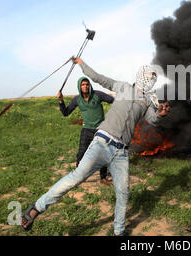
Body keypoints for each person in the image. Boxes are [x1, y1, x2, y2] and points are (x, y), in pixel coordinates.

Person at [20, 58, 171, 235]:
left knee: (123, 193)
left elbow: (152, 120)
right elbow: (99, 78)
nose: (151, 79)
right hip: (102, 142)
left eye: (154, 77)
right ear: (141, 74)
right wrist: (81, 63)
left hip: (121, 152)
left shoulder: (148, 101)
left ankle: (119, 231)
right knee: (76, 177)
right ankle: (36, 208)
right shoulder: (123, 87)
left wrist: (160, 114)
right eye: (150, 75)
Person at [57, 77, 114, 185]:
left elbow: (113, 101)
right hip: (86, 130)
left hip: (100, 129)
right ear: (79, 86)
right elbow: (66, 113)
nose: (85, 86)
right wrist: (61, 101)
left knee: (102, 153)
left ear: (90, 85)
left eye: (87, 84)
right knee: (81, 154)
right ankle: (78, 176)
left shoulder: (98, 95)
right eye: (83, 85)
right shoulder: (77, 99)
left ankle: (103, 178)